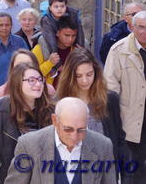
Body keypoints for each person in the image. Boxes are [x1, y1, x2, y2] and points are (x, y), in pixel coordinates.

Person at [57, 48, 133, 183]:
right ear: (70, 76)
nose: (85, 80)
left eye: (89, 74)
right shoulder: (59, 103)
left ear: (96, 73)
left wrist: (126, 177)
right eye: (78, 76)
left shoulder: (109, 100)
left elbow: (119, 140)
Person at [4, 97, 116, 184]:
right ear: (54, 120)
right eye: (68, 129)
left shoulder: (103, 145)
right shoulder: (29, 145)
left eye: (81, 129)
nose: (74, 136)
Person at [0, 63, 54, 183]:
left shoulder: (51, 110)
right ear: (18, 82)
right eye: (31, 80)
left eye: (40, 79)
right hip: (2, 176)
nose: (38, 84)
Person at [104, 10, 146, 183]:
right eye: (141, 27)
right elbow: (110, 89)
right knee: (131, 173)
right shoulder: (119, 51)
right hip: (130, 125)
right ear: (132, 27)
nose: (144, 31)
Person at [0, 49, 56, 125]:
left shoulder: (48, 90)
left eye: (29, 65)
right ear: (12, 70)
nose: (25, 68)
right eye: (19, 66)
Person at [32, 16, 79, 87]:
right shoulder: (40, 49)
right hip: (47, 94)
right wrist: (49, 63)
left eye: (73, 36)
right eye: (67, 35)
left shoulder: (76, 50)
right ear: (57, 33)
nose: (70, 39)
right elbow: (31, 76)